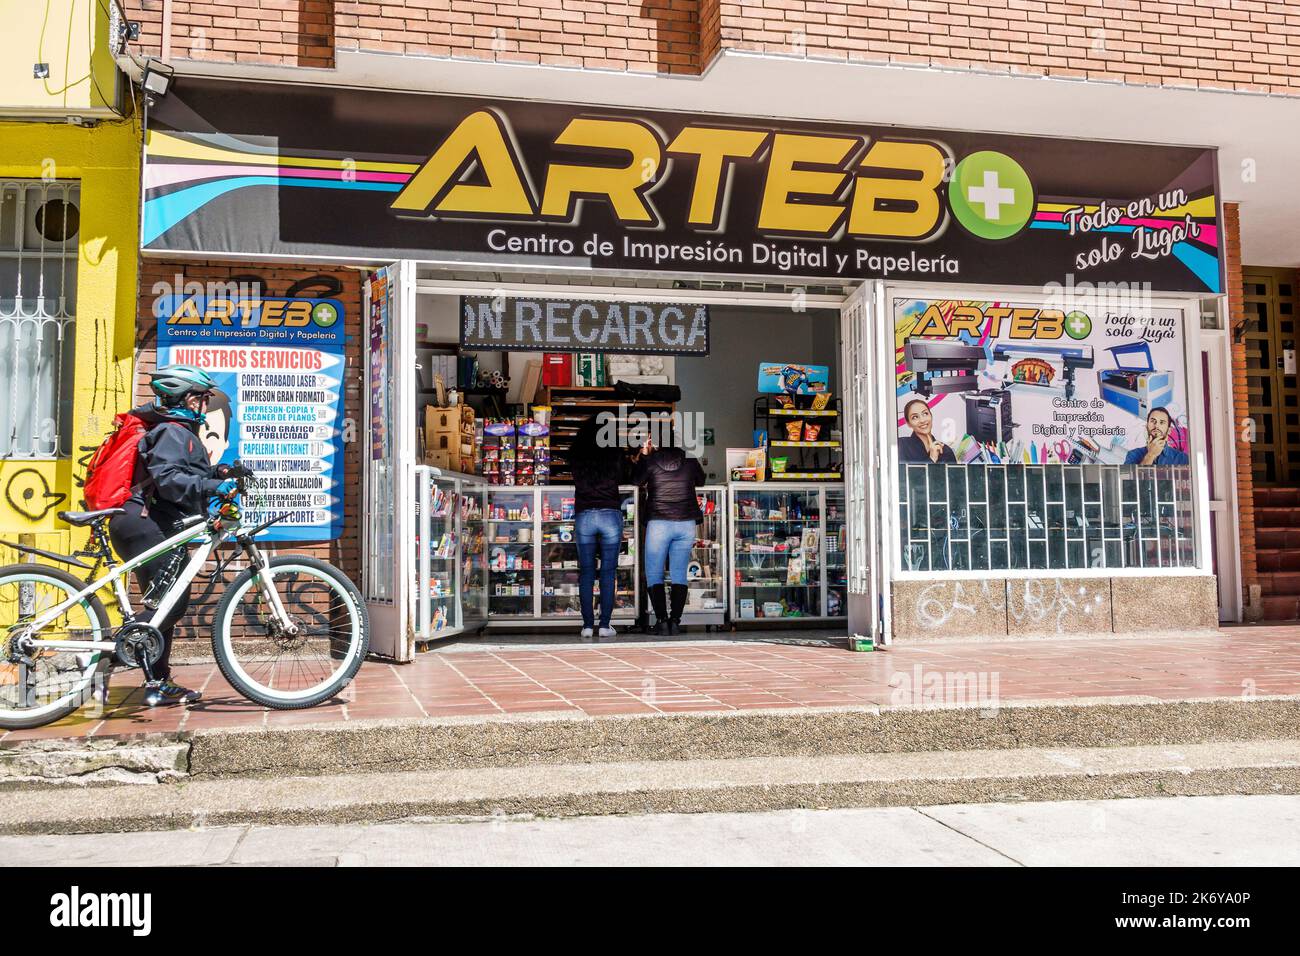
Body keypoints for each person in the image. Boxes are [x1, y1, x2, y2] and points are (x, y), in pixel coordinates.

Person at [108, 365, 238, 706]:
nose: (205, 406)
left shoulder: (180, 432)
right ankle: (112, 650)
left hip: (151, 522)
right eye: (203, 398)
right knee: (172, 603)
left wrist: (218, 472)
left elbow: (180, 473)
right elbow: (168, 480)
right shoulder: (171, 431)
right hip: (144, 522)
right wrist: (214, 484)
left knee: (166, 603)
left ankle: (157, 683)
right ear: (186, 398)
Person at [569, 418, 637, 640]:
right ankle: (605, 625)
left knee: (587, 573)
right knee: (608, 572)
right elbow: (625, 476)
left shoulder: (577, 454)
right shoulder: (614, 453)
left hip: (585, 515)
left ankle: (587, 626)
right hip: (609, 514)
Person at [634, 436, 706, 636]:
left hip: (659, 522)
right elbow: (702, 480)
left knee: (654, 573)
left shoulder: (650, 461)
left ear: (656, 444)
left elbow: (636, 480)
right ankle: (675, 621)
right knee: (678, 573)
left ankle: (661, 621)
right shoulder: (690, 460)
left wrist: (644, 455)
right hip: (686, 523)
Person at [1124, 406, 1189, 465]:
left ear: (1169, 430)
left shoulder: (1183, 458)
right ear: (1146, 426)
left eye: (1162, 422)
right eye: (1153, 421)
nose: (1156, 426)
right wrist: (1150, 455)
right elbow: (1129, 478)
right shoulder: (1132, 455)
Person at [899, 398, 956, 464]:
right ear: (908, 423)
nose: (922, 420)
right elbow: (903, 474)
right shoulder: (902, 445)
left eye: (925, 413)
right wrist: (932, 458)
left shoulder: (946, 450)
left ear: (931, 416)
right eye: (915, 417)